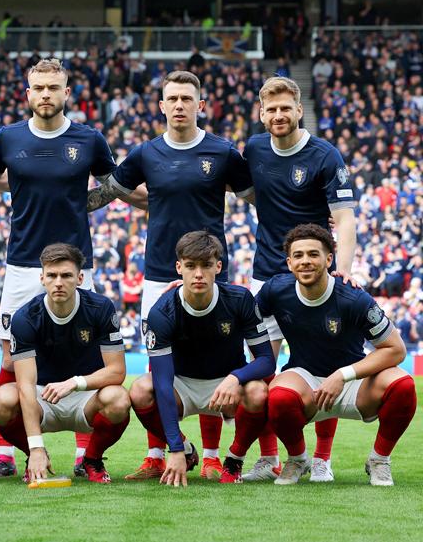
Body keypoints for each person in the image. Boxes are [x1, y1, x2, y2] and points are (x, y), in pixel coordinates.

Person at [0, 58, 142, 478]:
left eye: (53, 87)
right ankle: (6, 455)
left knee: (84, 351)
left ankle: (86, 457)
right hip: (22, 262)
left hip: (75, 261)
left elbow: (113, 186)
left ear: (67, 92)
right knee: (10, 355)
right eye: (39, 87)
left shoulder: (89, 139)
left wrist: (83, 204)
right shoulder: (7, 138)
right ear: (27, 93)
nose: (45, 94)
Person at [88, 70, 254, 480]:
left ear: (201, 105)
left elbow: (257, 197)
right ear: (161, 106)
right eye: (172, 99)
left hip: (210, 272)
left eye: (187, 99)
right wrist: (60, 200)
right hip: (159, 272)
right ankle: (158, 454)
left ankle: (211, 456)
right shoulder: (146, 154)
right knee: (156, 363)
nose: (179, 105)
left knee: (212, 361)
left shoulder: (223, 152)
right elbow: (111, 191)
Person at [241, 76, 358, 482]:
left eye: (285, 108)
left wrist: (343, 269)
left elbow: (344, 219)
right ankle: (269, 458)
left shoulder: (325, 155)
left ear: (298, 110)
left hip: (314, 277)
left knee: (325, 365)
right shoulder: (254, 148)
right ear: (261, 113)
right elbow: (250, 194)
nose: (278, 115)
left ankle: (322, 458)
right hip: (266, 275)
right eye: (271, 109)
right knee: (262, 370)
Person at [257, 224, 415, 486]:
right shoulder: (275, 290)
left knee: (403, 386)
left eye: (313, 254)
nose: (305, 261)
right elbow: (242, 317)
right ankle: (297, 459)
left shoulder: (354, 298)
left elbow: (396, 349)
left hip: (355, 380)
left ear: (329, 259)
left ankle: (379, 460)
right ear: (289, 262)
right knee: (278, 396)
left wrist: (343, 375)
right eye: (298, 255)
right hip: (305, 378)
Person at [130, 231, 275, 486]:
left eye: (206, 265)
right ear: (179, 268)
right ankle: (187, 451)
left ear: (218, 267)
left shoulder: (239, 299)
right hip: (181, 385)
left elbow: (266, 360)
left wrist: (236, 377)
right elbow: (163, 384)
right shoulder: (162, 312)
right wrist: (175, 448)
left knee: (258, 392)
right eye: (190, 266)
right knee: (140, 390)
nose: (198, 274)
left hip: (227, 385)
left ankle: (234, 460)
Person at [0, 243, 130, 484]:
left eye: (66, 275)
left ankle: (92, 459)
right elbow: (25, 385)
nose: (58, 282)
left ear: (80, 278)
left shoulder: (101, 308)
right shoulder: (24, 317)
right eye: (52, 275)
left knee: (119, 399)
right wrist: (35, 447)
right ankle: (35, 457)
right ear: (42, 278)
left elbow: (117, 371)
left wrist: (74, 383)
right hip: (42, 397)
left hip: (86, 395)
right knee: (0, 402)